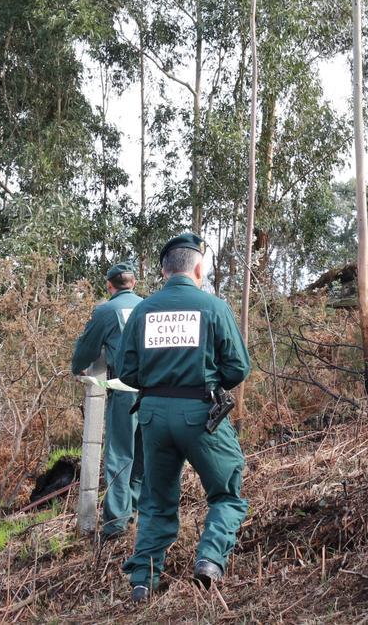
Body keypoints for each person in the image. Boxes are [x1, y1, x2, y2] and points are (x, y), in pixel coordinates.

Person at [116, 233, 251, 603]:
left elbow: (126, 372)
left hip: (153, 416)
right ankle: (209, 561)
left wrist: (159, 382)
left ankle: (143, 579)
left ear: (163, 270)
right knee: (226, 494)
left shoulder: (142, 310)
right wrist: (205, 384)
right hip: (201, 414)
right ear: (197, 268)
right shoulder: (213, 306)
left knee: (156, 502)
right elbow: (239, 368)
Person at [71, 262, 144, 540]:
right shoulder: (149, 306)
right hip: (154, 389)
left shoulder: (106, 311)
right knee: (143, 454)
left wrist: (78, 368)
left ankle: (115, 523)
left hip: (124, 389)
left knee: (119, 454)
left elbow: (86, 348)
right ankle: (135, 510)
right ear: (134, 283)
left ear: (109, 286)